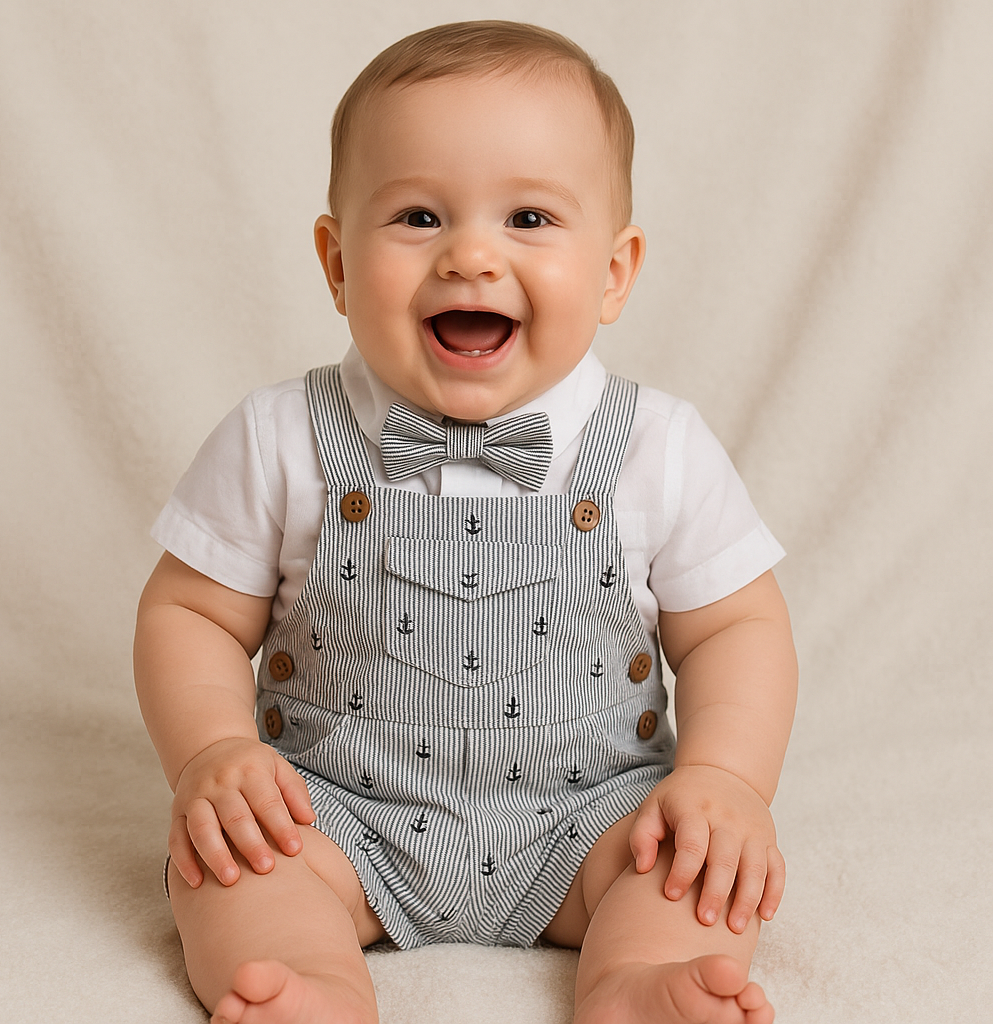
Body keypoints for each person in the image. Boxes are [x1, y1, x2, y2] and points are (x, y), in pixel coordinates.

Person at [134, 20, 797, 1024]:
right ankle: (310, 987)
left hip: (592, 820)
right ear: (336, 261)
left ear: (614, 271)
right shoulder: (280, 437)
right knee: (230, 867)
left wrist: (722, 777)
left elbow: (736, 628)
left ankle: (636, 985)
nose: (472, 256)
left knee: (690, 869)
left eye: (529, 217)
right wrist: (210, 754)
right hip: (334, 814)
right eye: (418, 216)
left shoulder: (657, 447)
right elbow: (189, 614)